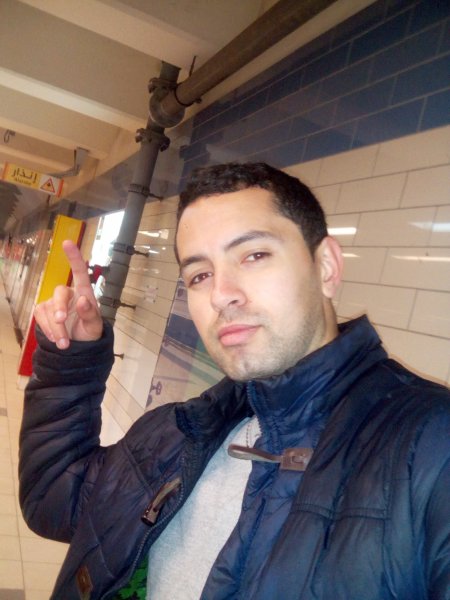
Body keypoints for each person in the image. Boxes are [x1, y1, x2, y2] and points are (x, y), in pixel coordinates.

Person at [19, 162, 450, 600]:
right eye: (200, 275)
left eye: (254, 255)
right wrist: (70, 362)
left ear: (326, 267)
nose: (221, 294)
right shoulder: (178, 431)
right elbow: (54, 498)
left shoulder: (430, 446)